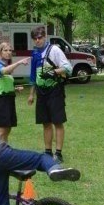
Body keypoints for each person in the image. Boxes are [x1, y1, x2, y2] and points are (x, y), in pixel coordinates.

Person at [27, 26, 72, 163]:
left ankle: (58, 153)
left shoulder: (55, 50)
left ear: (45, 36)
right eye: (35, 38)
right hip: (41, 92)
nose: (37, 40)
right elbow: (33, 76)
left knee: (57, 122)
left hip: (55, 91)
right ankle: (47, 151)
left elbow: (68, 68)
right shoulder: (34, 53)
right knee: (45, 123)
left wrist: (53, 72)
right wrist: (31, 94)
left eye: (39, 37)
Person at [0, 41, 29, 142]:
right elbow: (4, 71)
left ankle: (4, 152)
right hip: (0, 101)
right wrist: (19, 62)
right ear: (0, 52)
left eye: (10, 50)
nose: (8, 52)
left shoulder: (5, 65)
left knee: (7, 128)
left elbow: (2, 84)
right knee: (1, 130)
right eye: (5, 50)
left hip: (9, 100)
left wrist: (15, 89)